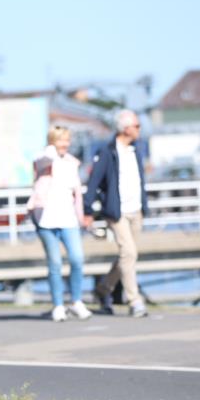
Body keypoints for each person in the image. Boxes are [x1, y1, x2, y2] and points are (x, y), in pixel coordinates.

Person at [83, 109, 150, 317]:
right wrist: (87, 210)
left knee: (127, 256)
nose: (139, 129)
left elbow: (140, 180)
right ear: (126, 128)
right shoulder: (108, 152)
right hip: (117, 211)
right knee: (129, 253)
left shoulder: (135, 150)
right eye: (137, 126)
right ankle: (134, 301)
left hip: (136, 210)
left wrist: (144, 205)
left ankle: (103, 289)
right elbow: (93, 183)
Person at [27, 126, 92, 322]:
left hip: (68, 217)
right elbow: (44, 157)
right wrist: (52, 148)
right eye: (61, 140)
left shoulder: (72, 163)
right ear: (52, 142)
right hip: (45, 218)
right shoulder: (44, 160)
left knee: (77, 259)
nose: (65, 144)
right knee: (55, 262)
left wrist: (82, 217)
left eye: (67, 140)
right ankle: (58, 305)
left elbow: (77, 194)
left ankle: (76, 301)